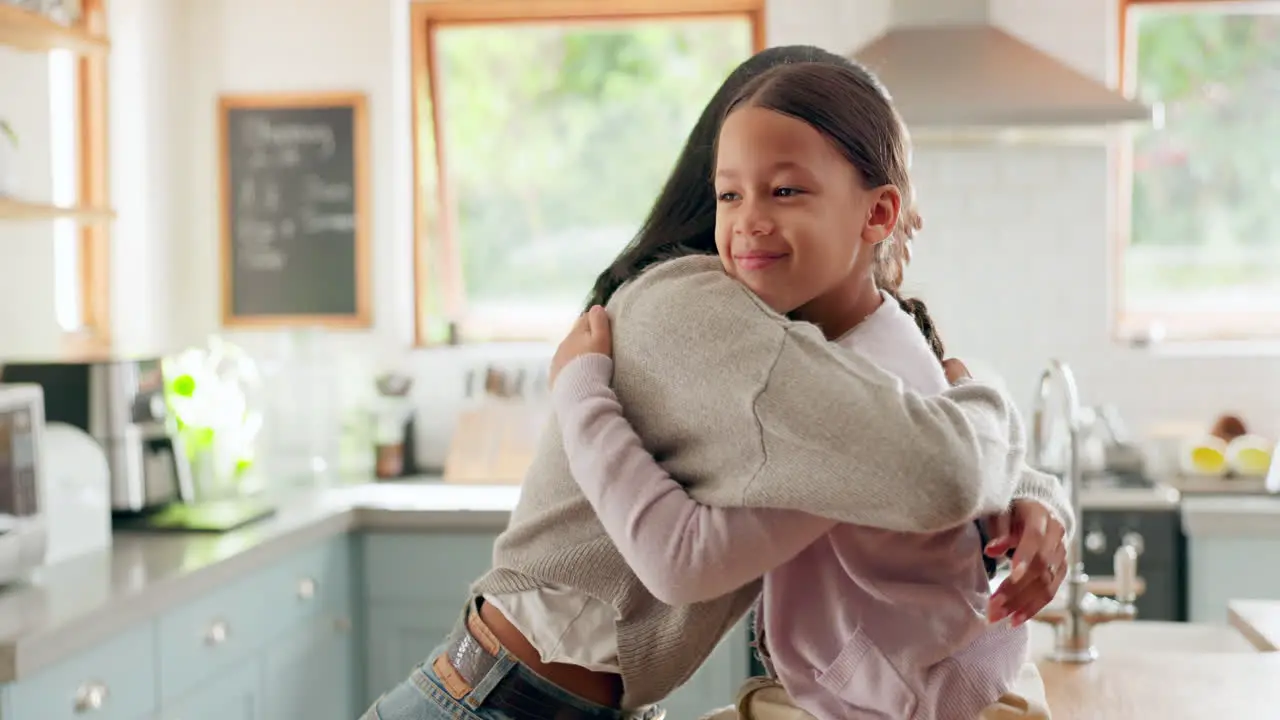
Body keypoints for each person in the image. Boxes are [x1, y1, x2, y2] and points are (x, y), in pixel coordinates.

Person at [361, 46, 1068, 720]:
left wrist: (1027, 491)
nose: (753, 217)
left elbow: (903, 437)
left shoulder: (789, 330)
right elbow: (923, 459)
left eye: (789, 188)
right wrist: (576, 390)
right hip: (493, 703)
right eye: (733, 192)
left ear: (875, 210)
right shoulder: (697, 307)